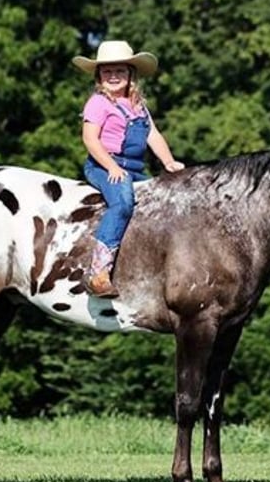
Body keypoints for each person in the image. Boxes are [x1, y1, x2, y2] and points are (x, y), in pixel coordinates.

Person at [72, 40, 185, 298]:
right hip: (104, 164)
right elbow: (90, 140)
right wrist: (111, 166)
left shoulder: (138, 106)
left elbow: (153, 135)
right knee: (123, 201)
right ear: (99, 76)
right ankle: (98, 272)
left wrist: (168, 161)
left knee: (157, 202)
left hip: (134, 168)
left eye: (119, 71)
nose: (113, 76)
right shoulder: (98, 103)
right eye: (107, 71)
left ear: (130, 74)